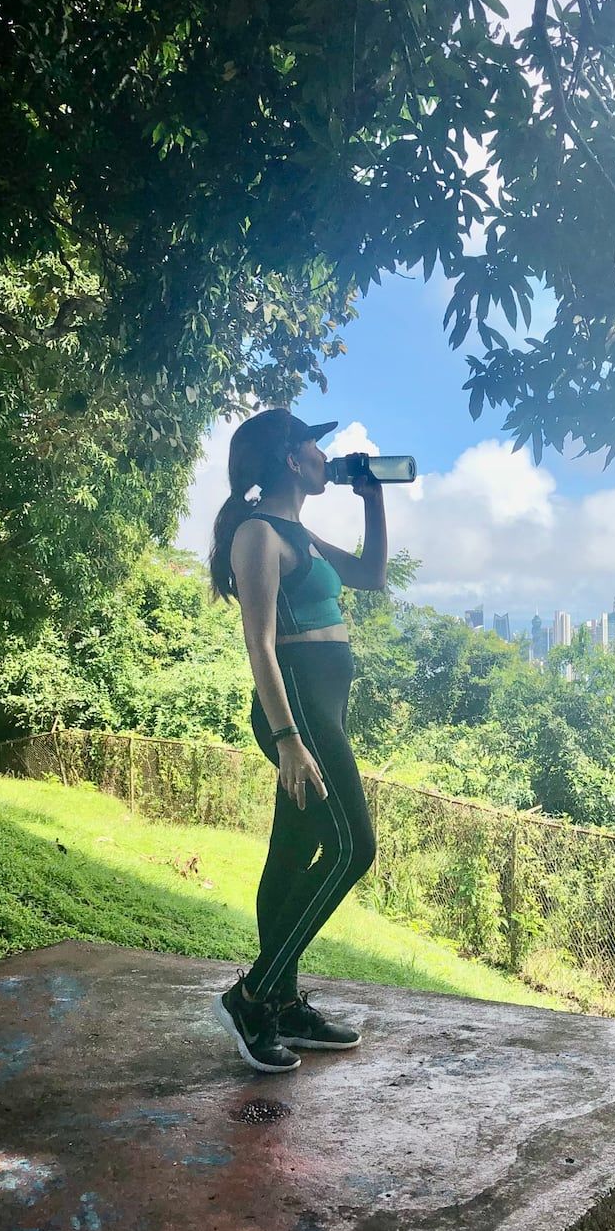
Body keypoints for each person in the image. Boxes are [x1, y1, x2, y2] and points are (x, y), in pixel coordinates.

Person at [207, 408, 384, 1073]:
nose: (323, 455)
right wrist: (287, 739)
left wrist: (372, 500)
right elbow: (259, 643)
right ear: (290, 458)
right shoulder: (257, 534)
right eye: (314, 443)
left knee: (292, 851)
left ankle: (281, 1002)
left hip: (322, 708)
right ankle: (252, 997)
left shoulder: (297, 532)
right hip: (298, 711)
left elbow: (371, 575)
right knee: (352, 847)